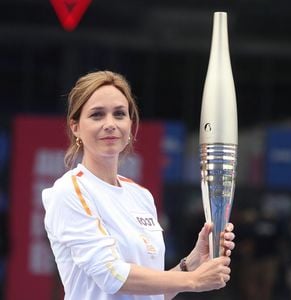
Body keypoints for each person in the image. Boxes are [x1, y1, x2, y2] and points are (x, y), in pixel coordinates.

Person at [42, 70, 235, 300]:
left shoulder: (141, 196)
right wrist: (194, 280)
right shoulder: (69, 191)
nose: (110, 124)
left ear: (130, 125)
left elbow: (153, 294)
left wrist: (192, 263)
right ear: (75, 127)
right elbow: (112, 274)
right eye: (97, 115)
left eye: (119, 114)